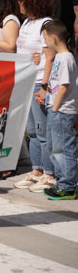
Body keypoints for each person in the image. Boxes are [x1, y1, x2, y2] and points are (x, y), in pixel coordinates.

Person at [12, 0, 57, 193]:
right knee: (31, 130)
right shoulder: (26, 23)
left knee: (43, 130)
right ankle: (36, 170)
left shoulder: (45, 24)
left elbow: (51, 57)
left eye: (22, 0)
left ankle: (49, 173)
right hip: (26, 80)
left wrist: (45, 86)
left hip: (39, 81)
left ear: (32, 2)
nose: (19, 4)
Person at [41, 20, 77, 200]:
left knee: (63, 149)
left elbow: (64, 86)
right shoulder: (60, 57)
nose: (45, 42)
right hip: (55, 109)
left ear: (54, 38)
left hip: (62, 111)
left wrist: (55, 108)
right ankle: (61, 181)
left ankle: (67, 186)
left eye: (46, 38)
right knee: (54, 148)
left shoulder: (66, 58)